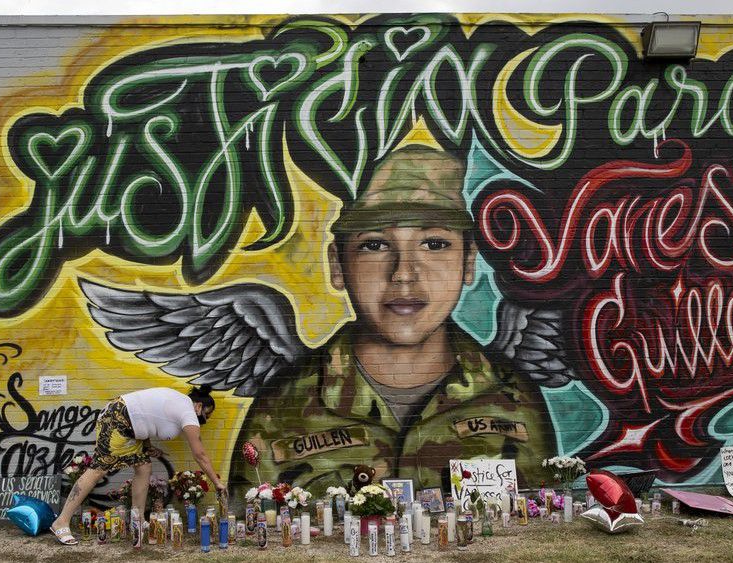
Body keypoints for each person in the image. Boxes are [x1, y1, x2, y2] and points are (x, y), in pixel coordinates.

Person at [229, 145, 553, 495]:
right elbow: (256, 527)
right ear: (338, 266)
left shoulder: (513, 400)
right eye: (375, 245)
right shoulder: (283, 408)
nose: (403, 274)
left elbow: (533, 523)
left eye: (433, 244)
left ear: (469, 262)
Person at [50, 385, 225, 545]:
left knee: (144, 467)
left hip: (127, 424)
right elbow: (199, 455)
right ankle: (61, 521)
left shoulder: (179, 402)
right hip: (117, 419)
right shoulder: (187, 410)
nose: (204, 421)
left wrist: (148, 447)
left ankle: (138, 519)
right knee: (97, 470)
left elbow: (146, 416)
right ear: (199, 406)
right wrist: (216, 483)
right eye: (205, 416)